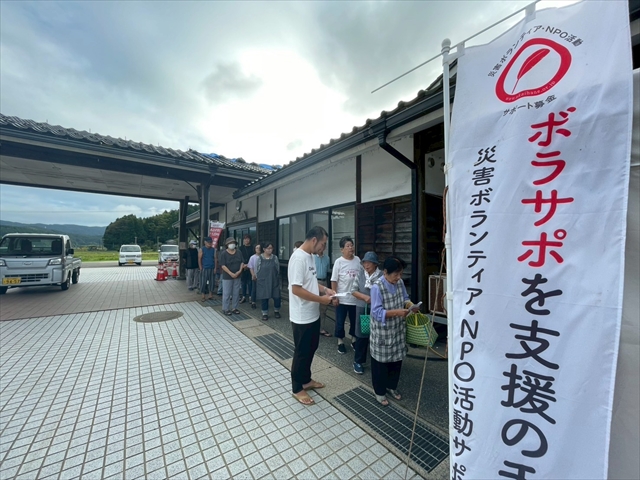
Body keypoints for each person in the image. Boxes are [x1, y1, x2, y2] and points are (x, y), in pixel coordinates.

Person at [288, 226, 337, 406]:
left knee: (312, 347)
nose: (324, 248)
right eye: (323, 244)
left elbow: (310, 282)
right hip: (301, 315)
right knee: (302, 351)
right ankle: (297, 388)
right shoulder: (298, 258)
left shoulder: (310, 257)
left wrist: (325, 289)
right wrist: (321, 299)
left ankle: (306, 380)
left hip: (312, 313)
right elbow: (296, 289)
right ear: (314, 240)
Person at [369, 256, 416, 406]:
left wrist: (410, 305)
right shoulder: (377, 287)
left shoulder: (399, 283)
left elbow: (405, 298)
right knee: (380, 365)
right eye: (396, 274)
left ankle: (391, 387)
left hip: (397, 330)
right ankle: (379, 392)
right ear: (385, 272)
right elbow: (376, 312)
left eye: (400, 274)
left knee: (396, 361)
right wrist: (396, 312)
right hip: (382, 332)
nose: (399, 277)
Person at [351, 251, 383, 375]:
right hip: (361, 307)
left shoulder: (381, 275)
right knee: (361, 335)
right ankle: (358, 361)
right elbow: (353, 290)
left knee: (377, 334)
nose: (366, 265)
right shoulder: (360, 274)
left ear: (375, 264)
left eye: (369, 262)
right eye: (365, 262)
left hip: (377, 309)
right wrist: (365, 297)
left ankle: (378, 361)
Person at [330, 236, 360, 354]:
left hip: (355, 298)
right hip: (342, 298)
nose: (351, 248)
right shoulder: (339, 262)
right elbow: (334, 280)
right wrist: (334, 296)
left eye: (352, 245)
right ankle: (340, 341)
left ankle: (354, 339)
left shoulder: (358, 260)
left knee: (354, 320)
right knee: (340, 321)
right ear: (342, 249)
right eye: (348, 246)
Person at [255, 242, 281, 321]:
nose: (270, 250)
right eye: (268, 248)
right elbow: (256, 269)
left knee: (277, 297)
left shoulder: (275, 258)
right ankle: (265, 313)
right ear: (264, 249)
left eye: (271, 248)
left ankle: (276, 311)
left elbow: (278, 269)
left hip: (273, 280)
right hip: (263, 281)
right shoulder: (259, 258)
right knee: (264, 297)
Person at [219, 237, 245, 315]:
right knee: (226, 293)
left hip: (238, 275)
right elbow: (223, 265)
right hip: (227, 276)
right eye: (230, 243)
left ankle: (235, 308)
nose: (232, 244)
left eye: (233, 243)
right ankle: (226, 308)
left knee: (236, 293)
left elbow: (242, 262)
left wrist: (239, 271)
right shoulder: (224, 253)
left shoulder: (239, 252)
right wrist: (231, 273)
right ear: (227, 245)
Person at [314, 249, 332, 337]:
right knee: (314, 305)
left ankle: (321, 328)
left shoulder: (327, 258)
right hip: (315, 282)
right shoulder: (312, 258)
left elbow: (328, 270)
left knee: (324, 307)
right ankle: (313, 327)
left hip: (324, 282)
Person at [198, 237, 216, 301]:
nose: (210, 243)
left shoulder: (213, 249)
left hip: (212, 267)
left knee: (212, 282)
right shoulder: (202, 249)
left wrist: (215, 268)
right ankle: (203, 295)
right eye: (208, 242)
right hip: (204, 268)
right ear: (205, 242)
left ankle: (210, 295)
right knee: (203, 282)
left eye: (211, 242)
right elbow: (199, 259)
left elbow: (215, 259)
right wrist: (200, 267)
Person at [238, 234, 253, 304]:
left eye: (247, 239)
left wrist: (248, 265)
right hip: (243, 267)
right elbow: (239, 257)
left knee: (250, 283)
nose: (246, 240)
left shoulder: (253, 248)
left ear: (250, 240)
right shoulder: (241, 248)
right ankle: (243, 296)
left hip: (251, 267)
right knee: (243, 282)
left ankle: (250, 296)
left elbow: (253, 257)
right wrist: (243, 265)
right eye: (245, 239)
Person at [247, 243, 262, 309]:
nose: (258, 249)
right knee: (254, 289)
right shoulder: (252, 257)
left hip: (263, 276)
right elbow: (251, 267)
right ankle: (253, 302)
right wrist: (253, 275)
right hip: (255, 275)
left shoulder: (263, 256)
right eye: (257, 248)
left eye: (259, 248)